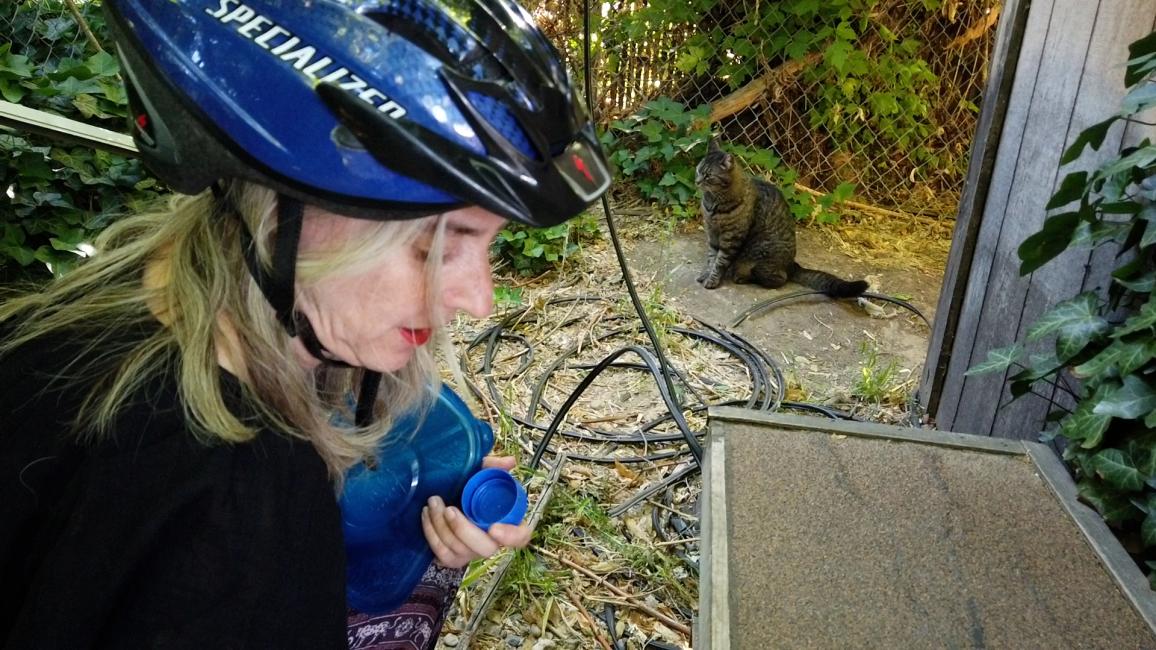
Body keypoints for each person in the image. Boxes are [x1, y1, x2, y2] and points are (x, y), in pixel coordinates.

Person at [0, 0, 610, 648]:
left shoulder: (101, 305)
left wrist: (408, 527)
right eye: (435, 246)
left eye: (486, 246)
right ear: (290, 218)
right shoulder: (247, 517)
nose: (480, 301)